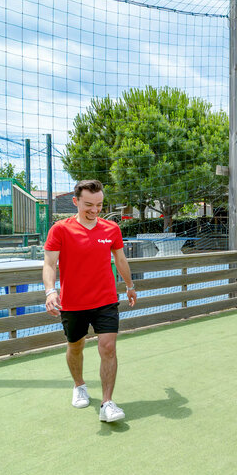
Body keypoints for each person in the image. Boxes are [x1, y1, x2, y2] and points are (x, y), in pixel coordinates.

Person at [43, 179, 137, 423]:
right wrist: (50, 291)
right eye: (88, 205)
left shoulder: (111, 229)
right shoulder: (60, 229)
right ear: (75, 202)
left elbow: (120, 259)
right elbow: (49, 263)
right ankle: (79, 385)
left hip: (106, 299)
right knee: (76, 346)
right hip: (73, 303)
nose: (95, 210)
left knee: (108, 347)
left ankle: (107, 403)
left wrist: (130, 286)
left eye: (99, 205)